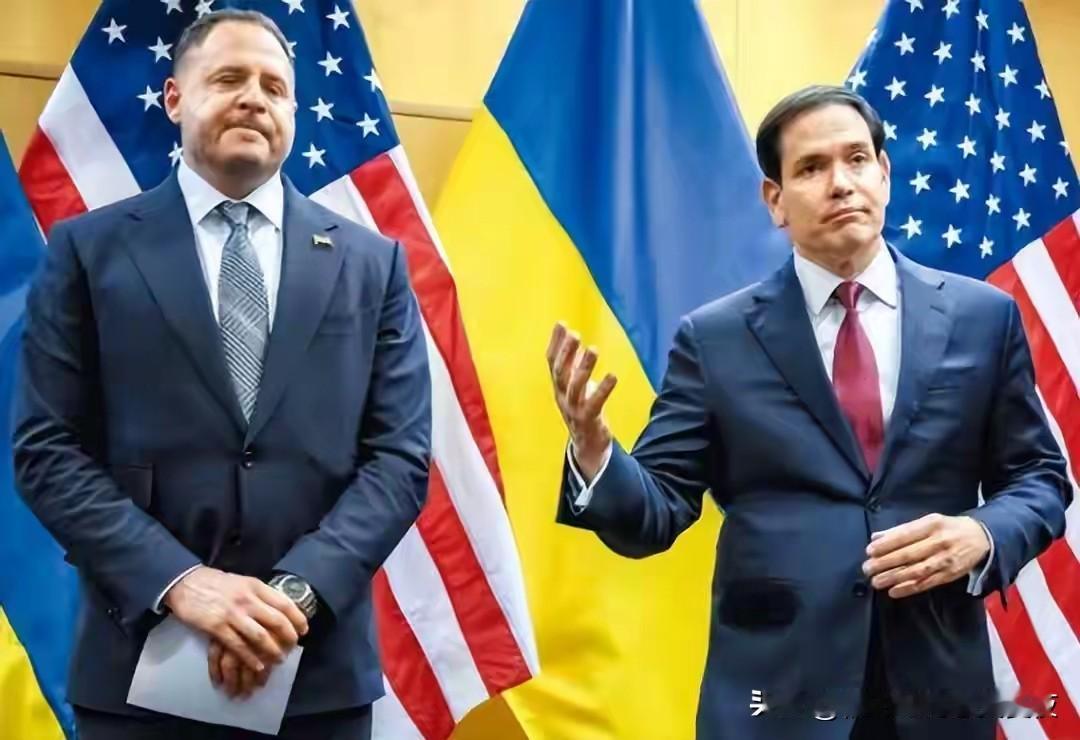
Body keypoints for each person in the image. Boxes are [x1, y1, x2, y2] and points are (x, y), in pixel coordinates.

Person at [546, 85, 1071, 740]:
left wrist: (984, 533)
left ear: (885, 174)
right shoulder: (715, 339)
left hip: (934, 690)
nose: (841, 183)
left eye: (857, 159)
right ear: (775, 201)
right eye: (812, 167)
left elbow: (1039, 479)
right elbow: (654, 514)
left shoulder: (982, 318)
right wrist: (595, 450)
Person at [13, 9, 430, 740]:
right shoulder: (87, 252)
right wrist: (181, 584)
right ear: (175, 99)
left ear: (294, 111)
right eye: (230, 78)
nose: (254, 99)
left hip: (316, 681)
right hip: (136, 675)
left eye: (275, 86)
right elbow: (46, 451)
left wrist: (292, 598)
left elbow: (399, 459)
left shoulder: (374, 264)